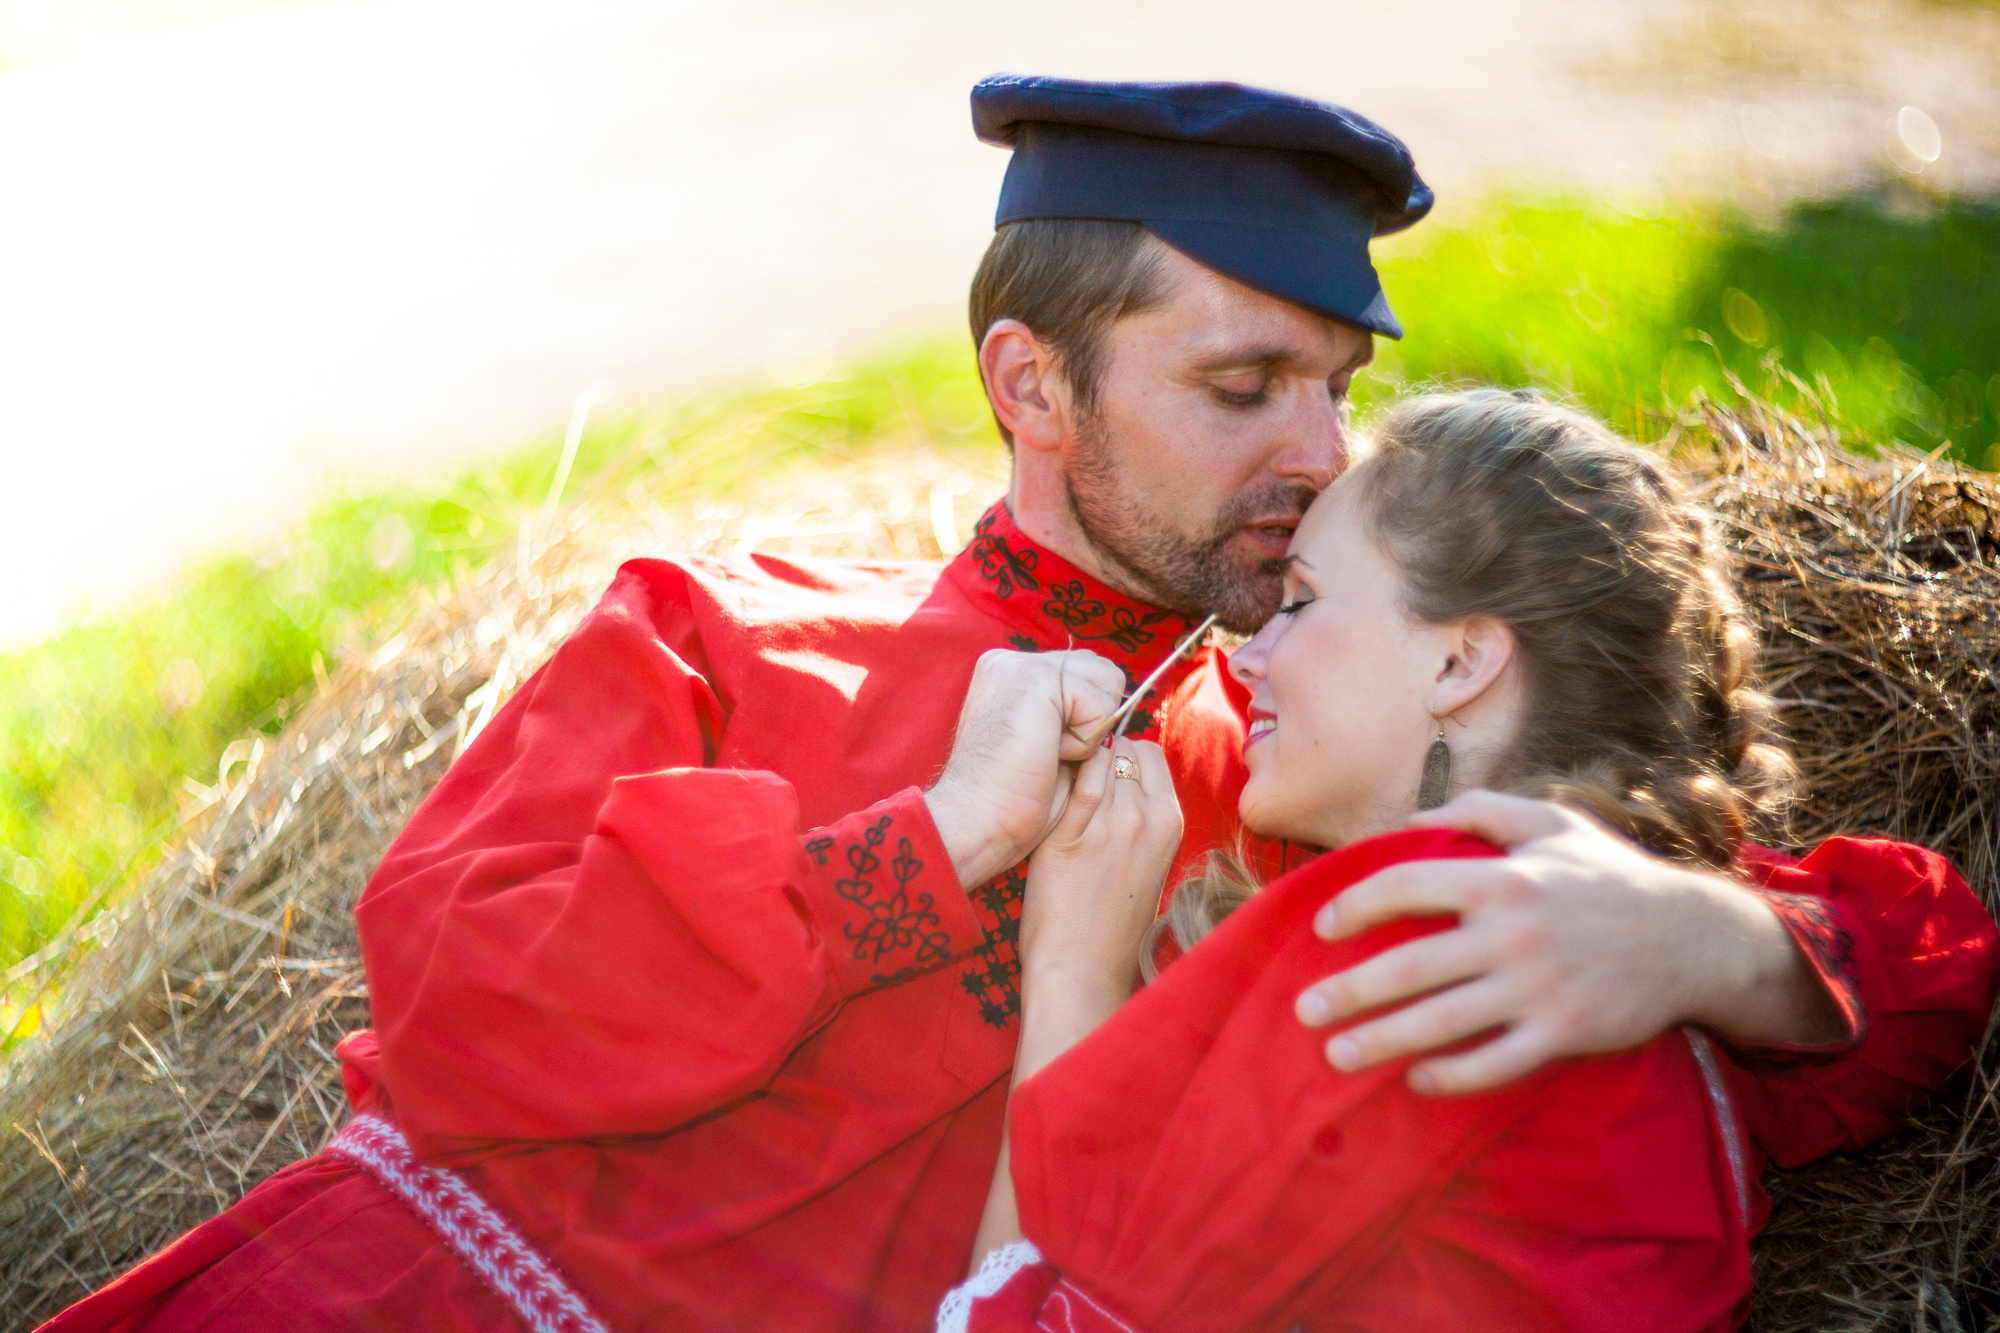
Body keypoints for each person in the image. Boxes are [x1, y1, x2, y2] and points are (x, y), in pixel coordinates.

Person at [36, 79, 1997, 1333]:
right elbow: (463, 1011)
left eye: (1334, 382)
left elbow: (1901, 966)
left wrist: (1705, 935)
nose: (1319, 450)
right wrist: (922, 851)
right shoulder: (727, 627)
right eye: (1242, 392)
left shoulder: (1313, 766)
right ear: (1031, 390)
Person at [941, 390, 2000, 1333]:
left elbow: (1040, 1314)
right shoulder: (1588, 918)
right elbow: (1938, 952)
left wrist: (1070, 965)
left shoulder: (1427, 920)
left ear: (1460, 659)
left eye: (1300, 599)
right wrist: (1711, 943)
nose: (1242, 649)